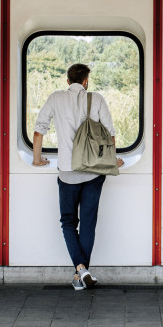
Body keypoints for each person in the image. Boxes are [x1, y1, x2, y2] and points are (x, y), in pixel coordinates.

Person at [32, 63, 124, 290]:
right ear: (86, 81)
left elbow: (39, 129)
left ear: (67, 80)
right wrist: (112, 160)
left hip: (67, 173)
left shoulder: (55, 98)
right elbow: (110, 134)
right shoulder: (97, 99)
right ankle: (80, 273)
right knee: (88, 224)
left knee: (68, 222)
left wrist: (37, 158)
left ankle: (80, 270)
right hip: (94, 172)